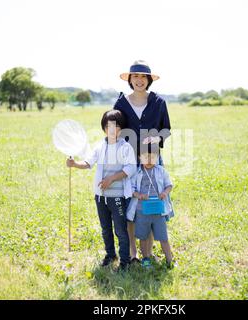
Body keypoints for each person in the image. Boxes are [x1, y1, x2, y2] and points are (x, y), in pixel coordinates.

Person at [114, 60, 172, 263]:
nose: (139, 80)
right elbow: (115, 130)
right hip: (129, 162)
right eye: (135, 76)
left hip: (152, 161)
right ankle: (133, 252)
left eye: (143, 77)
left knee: (153, 204)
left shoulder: (159, 102)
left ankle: (148, 250)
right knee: (131, 205)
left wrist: (157, 138)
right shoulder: (121, 103)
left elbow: (166, 129)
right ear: (130, 79)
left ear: (148, 80)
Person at [66, 110, 136, 272]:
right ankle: (110, 254)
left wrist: (111, 179)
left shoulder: (125, 147)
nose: (112, 129)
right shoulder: (100, 146)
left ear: (121, 128)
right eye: (108, 126)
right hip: (100, 196)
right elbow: (89, 163)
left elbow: (131, 168)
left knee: (120, 229)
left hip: (117, 196)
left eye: (116, 126)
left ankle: (125, 261)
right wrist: (75, 164)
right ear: (104, 128)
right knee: (105, 228)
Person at [126, 144, 174, 268]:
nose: (148, 160)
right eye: (145, 157)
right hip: (142, 210)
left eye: (151, 157)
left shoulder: (161, 171)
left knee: (163, 237)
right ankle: (145, 259)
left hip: (158, 210)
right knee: (143, 237)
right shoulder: (137, 173)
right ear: (139, 157)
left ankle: (170, 260)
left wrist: (164, 193)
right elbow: (131, 189)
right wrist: (139, 195)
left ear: (157, 157)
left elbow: (169, 185)